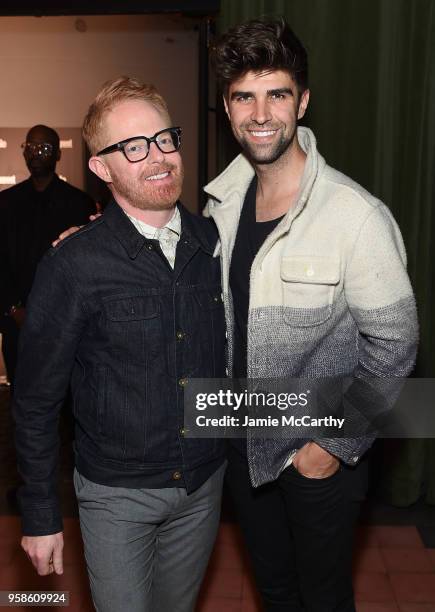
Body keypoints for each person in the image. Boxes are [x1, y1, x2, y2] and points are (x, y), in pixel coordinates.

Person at [204, 18, 419, 611]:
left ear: (303, 100)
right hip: (243, 440)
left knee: (322, 600)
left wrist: (332, 443)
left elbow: (396, 345)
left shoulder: (356, 216)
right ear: (227, 108)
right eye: (244, 96)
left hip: (315, 456)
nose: (261, 113)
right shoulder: (220, 206)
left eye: (276, 93)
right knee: (275, 593)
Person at [13, 77, 226, 612]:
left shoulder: (214, 247)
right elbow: (36, 401)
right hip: (116, 497)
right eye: (133, 146)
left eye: (164, 138)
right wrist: (40, 516)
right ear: (101, 168)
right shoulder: (73, 265)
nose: (157, 157)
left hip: (203, 488)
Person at [0, 125, 95, 386]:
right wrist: (13, 308)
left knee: (66, 401)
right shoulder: (5, 204)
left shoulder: (79, 204)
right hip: (16, 321)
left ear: (57, 155)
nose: (35, 153)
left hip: (66, 323)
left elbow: (85, 268)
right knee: (22, 398)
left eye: (44, 148)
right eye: (30, 147)